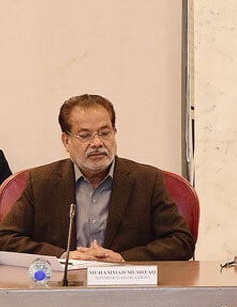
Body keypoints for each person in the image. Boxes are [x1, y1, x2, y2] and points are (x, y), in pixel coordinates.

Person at [0, 94, 195, 262]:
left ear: (114, 133)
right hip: (61, 291)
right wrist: (62, 256)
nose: (97, 143)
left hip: (127, 291)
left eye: (104, 133)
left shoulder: (146, 180)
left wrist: (124, 259)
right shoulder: (41, 182)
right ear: (66, 141)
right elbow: (6, 238)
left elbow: (181, 242)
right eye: (84, 135)